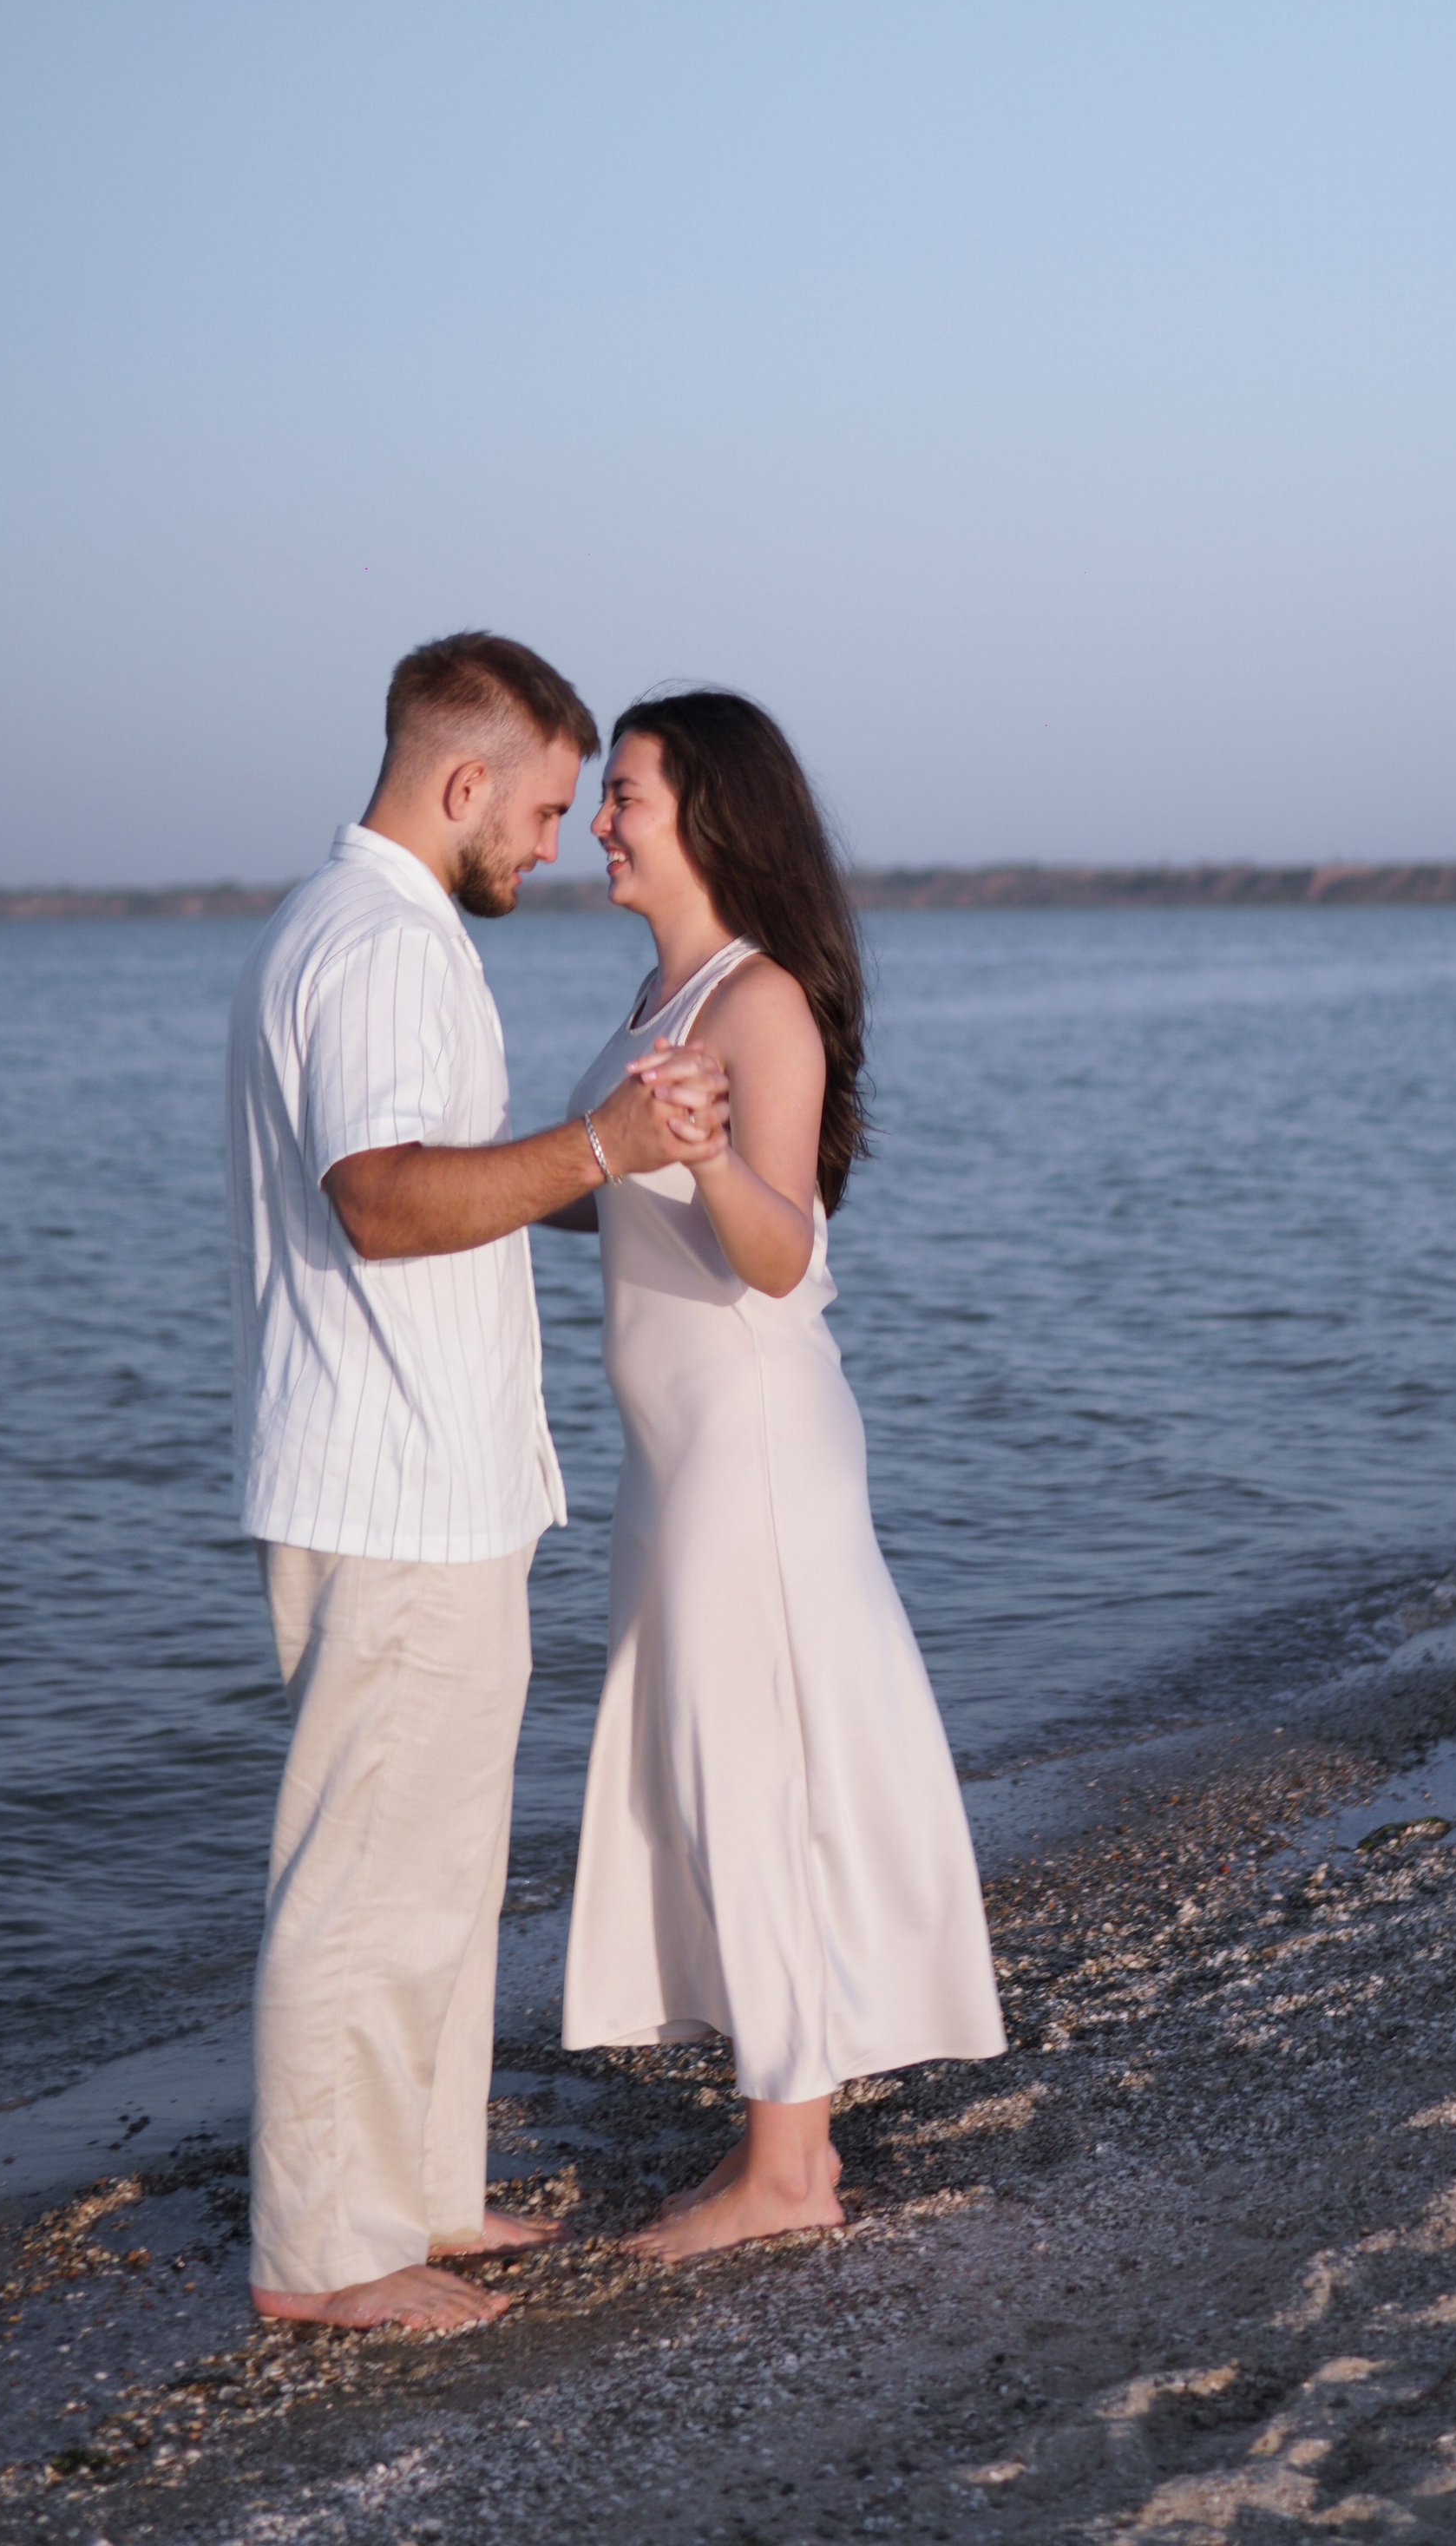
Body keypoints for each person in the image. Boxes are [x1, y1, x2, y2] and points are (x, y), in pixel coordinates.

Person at [227, 630, 726, 2336]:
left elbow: (455, 1181)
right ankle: (324, 2254)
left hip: (433, 1475)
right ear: (459, 786)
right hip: (383, 1482)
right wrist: (599, 1148)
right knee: (368, 1877)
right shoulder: (369, 942)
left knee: (434, 1869)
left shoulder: (394, 932)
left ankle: (417, 2197)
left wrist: (625, 1180)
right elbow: (381, 1197)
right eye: (536, 808)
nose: (547, 843)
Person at [553, 689, 1005, 2259]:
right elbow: (616, 1195)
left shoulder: (760, 1005)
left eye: (629, 797)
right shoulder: (656, 991)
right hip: (678, 1453)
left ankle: (788, 2172)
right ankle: (783, 2141)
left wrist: (701, 1158)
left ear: (712, 817)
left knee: (764, 1769)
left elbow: (778, 1246)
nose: (602, 823)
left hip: (750, 1442)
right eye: (606, 799)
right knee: (715, 1761)